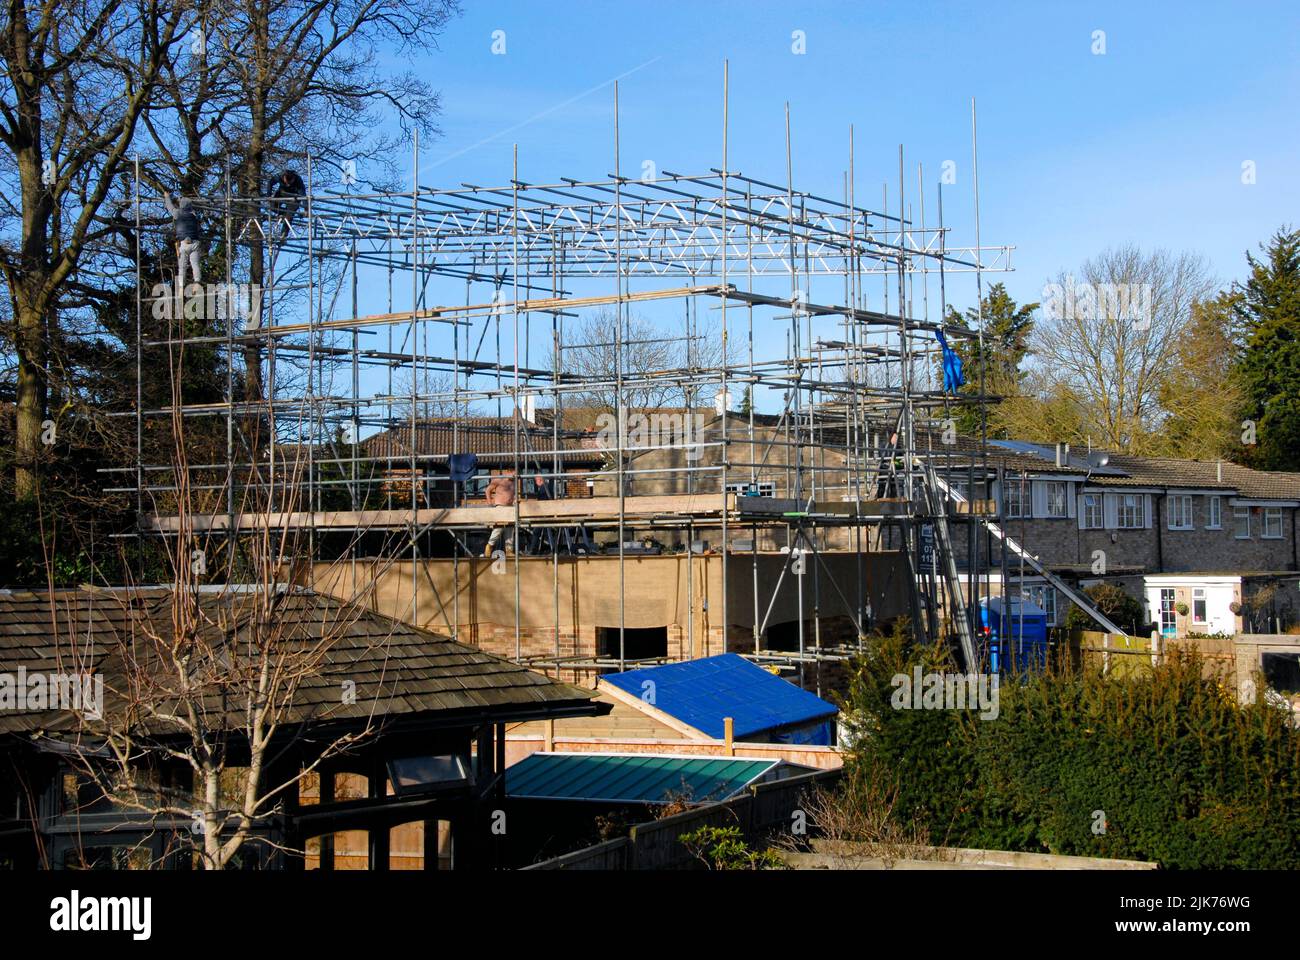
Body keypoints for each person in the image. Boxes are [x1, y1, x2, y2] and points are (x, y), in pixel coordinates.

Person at [163, 192, 201, 289]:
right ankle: (197, 282)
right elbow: (187, 205)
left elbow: (170, 207)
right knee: (195, 264)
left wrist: (167, 197)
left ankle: (181, 285)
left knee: (182, 266)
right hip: (195, 243)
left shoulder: (177, 213)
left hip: (184, 243)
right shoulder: (194, 214)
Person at [483, 474, 517, 557]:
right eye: (514, 472)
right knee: (499, 528)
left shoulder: (513, 482)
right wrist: (489, 501)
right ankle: (489, 546)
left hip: (510, 507)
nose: (515, 475)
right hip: (500, 507)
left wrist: (515, 500)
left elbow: (513, 494)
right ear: (509, 471)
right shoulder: (499, 480)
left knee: (510, 528)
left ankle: (509, 550)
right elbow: (488, 490)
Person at [271, 169, 306, 236]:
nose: (288, 184)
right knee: (272, 206)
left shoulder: (298, 181)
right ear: (284, 177)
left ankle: (284, 233)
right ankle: (284, 213)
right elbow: (270, 182)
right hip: (282, 193)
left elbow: (303, 195)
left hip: (294, 197)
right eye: (286, 182)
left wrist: (306, 209)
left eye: (290, 183)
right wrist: (268, 194)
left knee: (289, 215)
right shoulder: (279, 176)